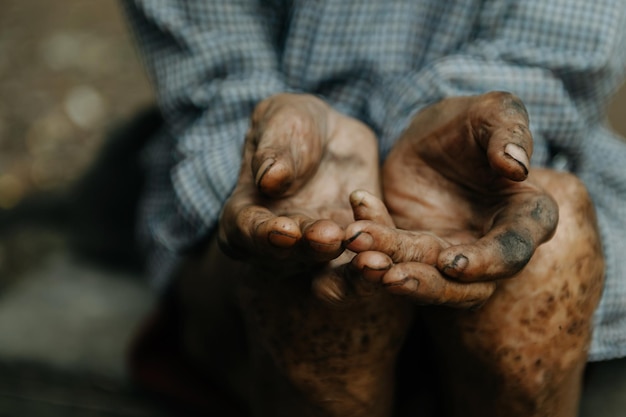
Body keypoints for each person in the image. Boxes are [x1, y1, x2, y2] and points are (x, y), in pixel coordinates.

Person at [121, 1, 626, 416]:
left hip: (467, 177)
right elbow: (219, 70)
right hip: (272, 169)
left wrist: (445, 137)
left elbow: (553, 66)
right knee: (307, 261)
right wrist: (274, 131)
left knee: (551, 250)